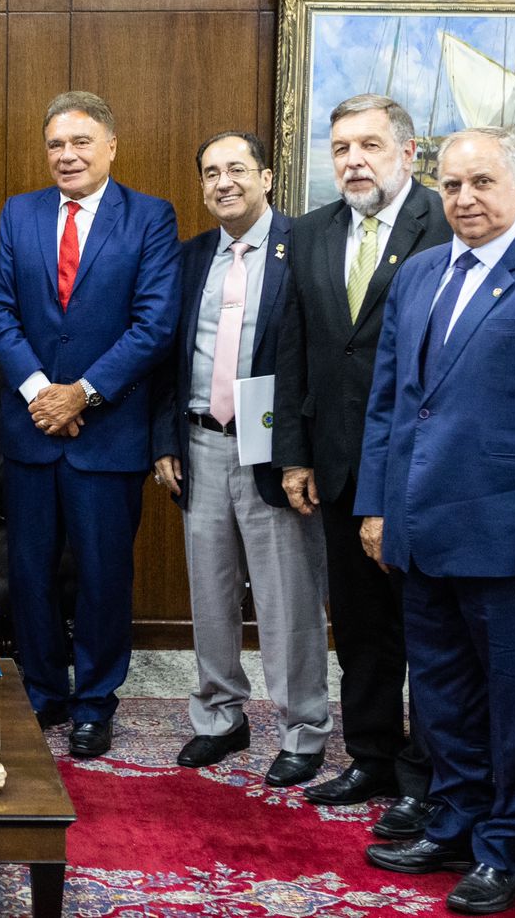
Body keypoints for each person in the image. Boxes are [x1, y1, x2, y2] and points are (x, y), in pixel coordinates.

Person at [356, 126, 515, 914]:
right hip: (421, 530)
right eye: (453, 185)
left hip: (514, 541)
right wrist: (376, 506)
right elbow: (391, 403)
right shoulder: (420, 273)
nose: (465, 199)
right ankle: (456, 822)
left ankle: (505, 848)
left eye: (483, 182)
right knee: (439, 696)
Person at [0, 90, 180, 756]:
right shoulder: (20, 213)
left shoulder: (150, 217)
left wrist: (82, 395)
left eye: (80, 142)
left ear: (111, 146)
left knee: (103, 576)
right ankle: (43, 693)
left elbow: (154, 325)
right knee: (30, 574)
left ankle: (96, 702)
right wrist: (43, 393)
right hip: (32, 430)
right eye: (56, 145)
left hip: (108, 433)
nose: (66, 155)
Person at [274, 94, 449, 833]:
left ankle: (427, 776)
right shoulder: (313, 230)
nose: (353, 161)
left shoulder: (445, 221)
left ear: (407, 153)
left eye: (370, 145)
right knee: (360, 626)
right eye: (341, 147)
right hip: (339, 465)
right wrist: (294, 454)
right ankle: (372, 756)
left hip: (422, 471)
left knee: (428, 634)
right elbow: (295, 347)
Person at [151, 131, 329, 784]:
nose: (223, 182)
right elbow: (167, 357)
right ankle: (220, 717)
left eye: (236, 169)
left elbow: (317, 356)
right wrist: (164, 439)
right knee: (211, 592)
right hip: (200, 441)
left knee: (287, 597)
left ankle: (303, 729)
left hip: (272, 443)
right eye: (210, 172)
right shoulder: (191, 255)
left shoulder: (301, 248)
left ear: (267, 177)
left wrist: (299, 453)